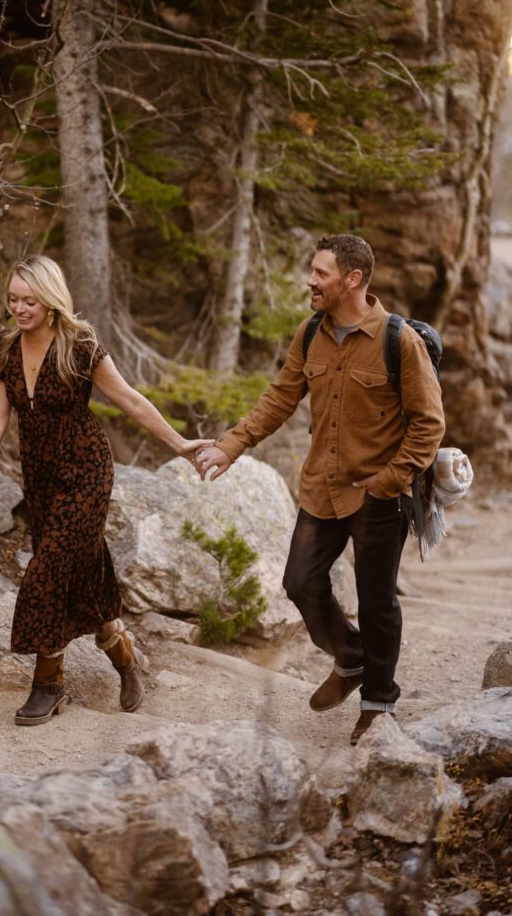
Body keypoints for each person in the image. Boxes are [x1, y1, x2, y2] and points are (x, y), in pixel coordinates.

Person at [195, 235, 445, 745]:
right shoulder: (311, 333)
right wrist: (231, 445)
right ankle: (350, 656)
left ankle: (378, 701)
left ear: (352, 279)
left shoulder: (400, 341)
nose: (310, 281)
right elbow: (280, 398)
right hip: (321, 488)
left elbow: (429, 423)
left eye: (320, 273)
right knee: (299, 581)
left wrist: (389, 480)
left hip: (378, 495)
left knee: (377, 601)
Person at [0, 255, 211, 726]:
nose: (20, 309)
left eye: (30, 301)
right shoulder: (5, 350)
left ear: (50, 301)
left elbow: (127, 399)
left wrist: (180, 443)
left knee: (46, 571)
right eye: (13, 300)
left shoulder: (79, 345)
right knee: (81, 569)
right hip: (40, 478)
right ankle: (123, 655)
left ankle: (49, 685)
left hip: (87, 470)